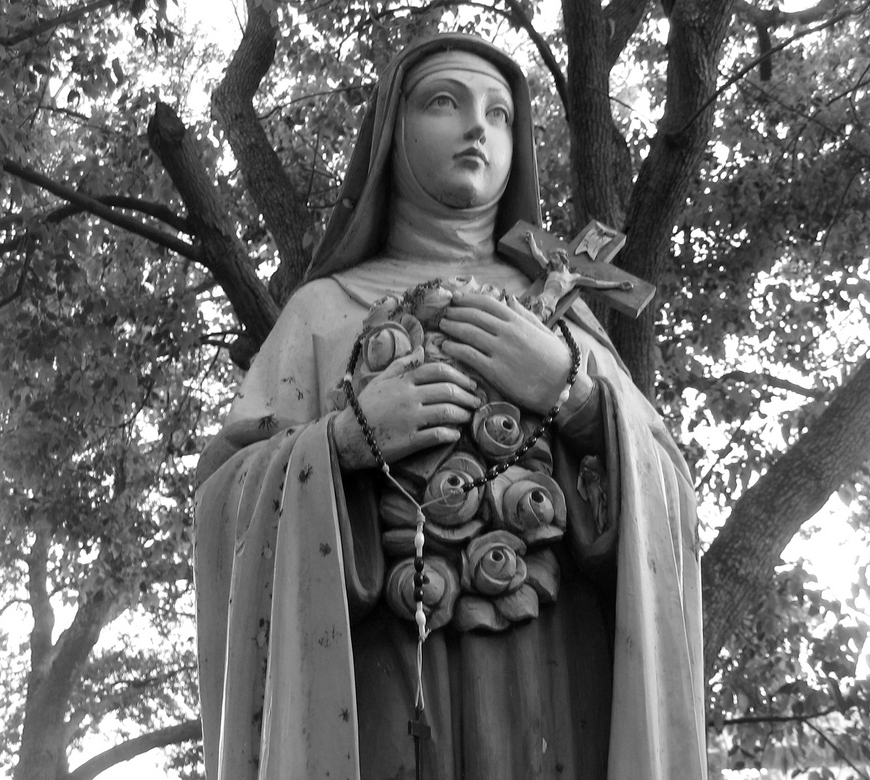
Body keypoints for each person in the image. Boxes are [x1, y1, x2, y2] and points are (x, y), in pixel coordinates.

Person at [193, 33, 705, 780]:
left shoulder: (561, 321)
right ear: (390, 134)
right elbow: (224, 505)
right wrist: (345, 441)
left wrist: (571, 394)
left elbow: (671, 508)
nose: (477, 129)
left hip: (555, 685)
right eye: (445, 102)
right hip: (374, 690)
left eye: (500, 115)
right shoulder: (322, 313)